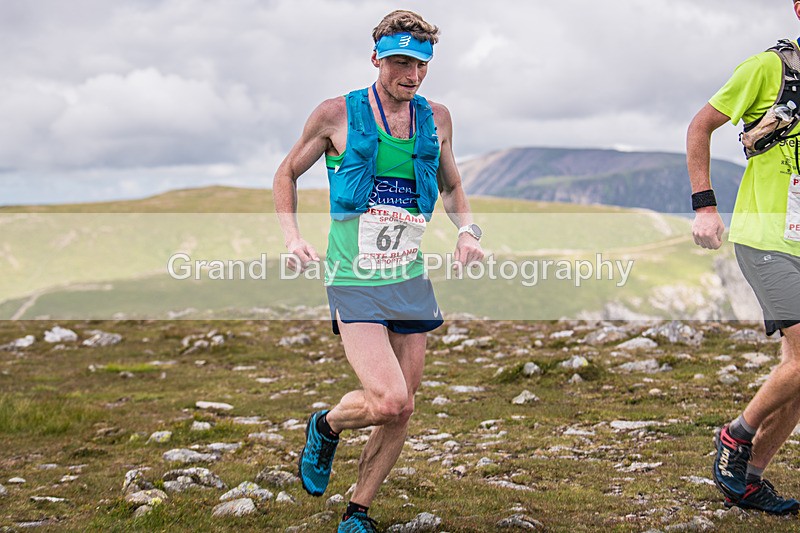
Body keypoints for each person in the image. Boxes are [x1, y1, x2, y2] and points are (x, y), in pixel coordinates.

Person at [273, 10, 484, 532]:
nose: (411, 75)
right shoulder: (335, 114)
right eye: (400, 63)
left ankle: (357, 511)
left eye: (421, 65)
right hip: (354, 280)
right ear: (377, 59)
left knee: (403, 408)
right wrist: (292, 236)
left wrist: (467, 231)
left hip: (409, 278)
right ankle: (325, 425)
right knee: (388, 400)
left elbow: (453, 187)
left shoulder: (437, 118)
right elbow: (286, 173)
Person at [686, 1, 800, 516]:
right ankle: (737, 437)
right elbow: (699, 126)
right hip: (767, 238)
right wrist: (705, 206)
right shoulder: (768, 68)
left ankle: (747, 481)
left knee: (798, 371)